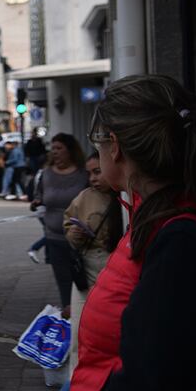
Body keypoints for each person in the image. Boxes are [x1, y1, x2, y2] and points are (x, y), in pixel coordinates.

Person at [55, 75, 196, 391]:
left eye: (96, 143)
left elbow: (144, 386)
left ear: (113, 146)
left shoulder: (180, 238)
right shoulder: (155, 220)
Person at [63, 151, 123, 373]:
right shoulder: (84, 198)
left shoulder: (128, 197)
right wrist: (74, 234)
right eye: (89, 173)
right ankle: (74, 387)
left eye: (98, 172)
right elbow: (69, 224)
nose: (93, 178)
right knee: (79, 333)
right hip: (86, 275)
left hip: (116, 276)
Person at [30, 133, 87, 314]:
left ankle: (85, 316)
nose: (54, 152)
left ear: (70, 150)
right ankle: (69, 319)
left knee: (83, 282)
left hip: (80, 240)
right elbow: (39, 195)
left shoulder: (83, 174)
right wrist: (37, 202)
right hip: (54, 238)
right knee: (63, 282)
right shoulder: (46, 174)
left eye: (59, 148)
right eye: (52, 148)